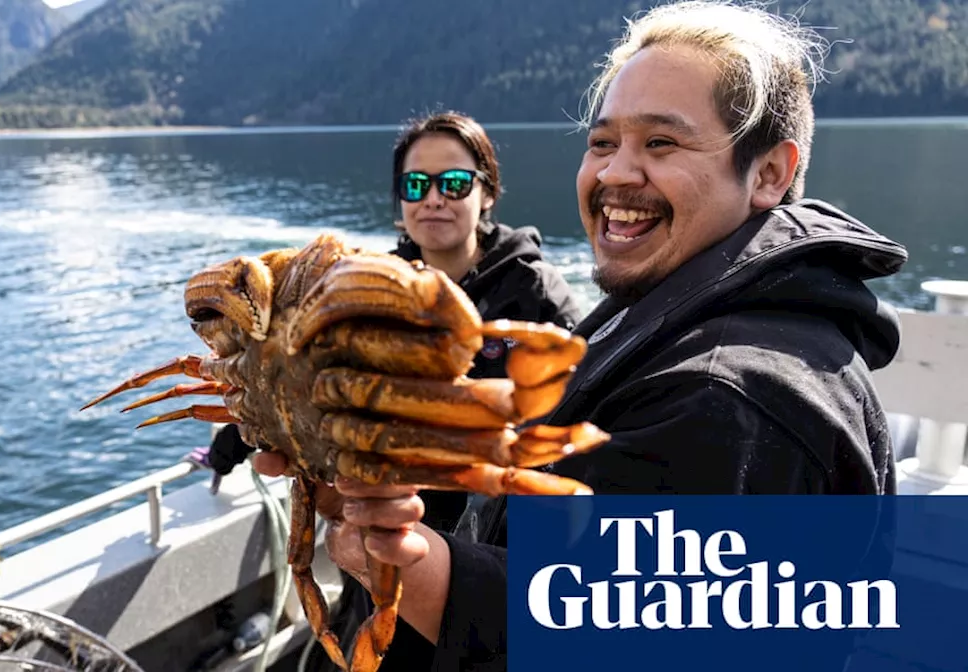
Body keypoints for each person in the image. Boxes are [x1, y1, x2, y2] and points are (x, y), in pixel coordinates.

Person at [253, 1, 908, 670]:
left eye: (661, 143)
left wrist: (405, 558)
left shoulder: (727, 399)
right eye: (602, 143)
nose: (615, 174)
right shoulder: (667, 309)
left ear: (769, 173)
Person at [298, 111, 584, 672]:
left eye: (454, 183)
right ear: (399, 199)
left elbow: (574, 411)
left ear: (487, 192)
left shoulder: (536, 295)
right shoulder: (366, 286)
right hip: (381, 533)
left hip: (490, 554)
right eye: (415, 184)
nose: (434, 198)